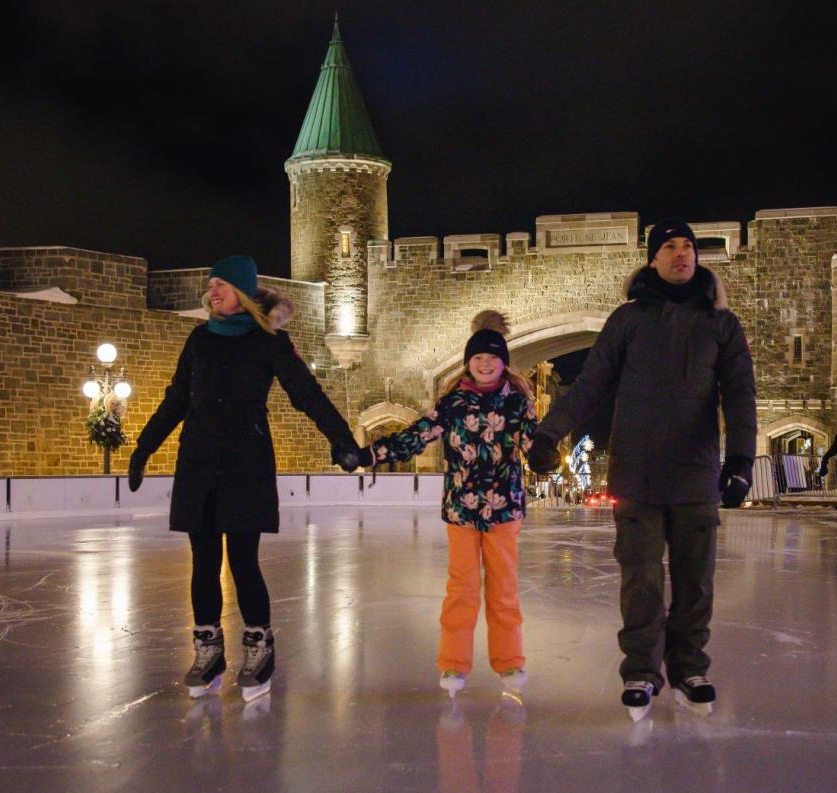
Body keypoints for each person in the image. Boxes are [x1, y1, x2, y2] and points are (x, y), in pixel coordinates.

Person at [527, 219, 757, 720]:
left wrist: (741, 458)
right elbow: (589, 385)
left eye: (688, 247)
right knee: (642, 580)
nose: (681, 254)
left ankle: (690, 668)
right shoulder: (628, 320)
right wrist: (548, 432)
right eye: (670, 247)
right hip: (638, 473)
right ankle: (640, 671)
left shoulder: (722, 324)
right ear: (652, 259)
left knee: (696, 581)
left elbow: (740, 394)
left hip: (696, 473)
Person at [127, 255, 363, 702]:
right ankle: (208, 650)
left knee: (242, 560)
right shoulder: (199, 339)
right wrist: (144, 446)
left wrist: (341, 438)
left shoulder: (269, 341)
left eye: (221, 285)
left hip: (245, 464)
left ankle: (259, 649)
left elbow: (306, 393)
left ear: (243, 293)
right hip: (198, 464)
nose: (212, 292)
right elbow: (177, 399)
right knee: (201, 562)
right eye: (210, 286)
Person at [364, 310, 537, 699]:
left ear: (503, 362)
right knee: (461, 588)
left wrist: (543, 453)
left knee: (503, 588)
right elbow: (418, 435)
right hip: (461, 508)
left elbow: (534, 442)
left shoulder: (518, 404)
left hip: (504, 508)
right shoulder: (453, 403)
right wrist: (372, 453)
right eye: (478, 358)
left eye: (492, 358)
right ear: (468, 363)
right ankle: (454, 663)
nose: (485, 363)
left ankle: (510, 660)